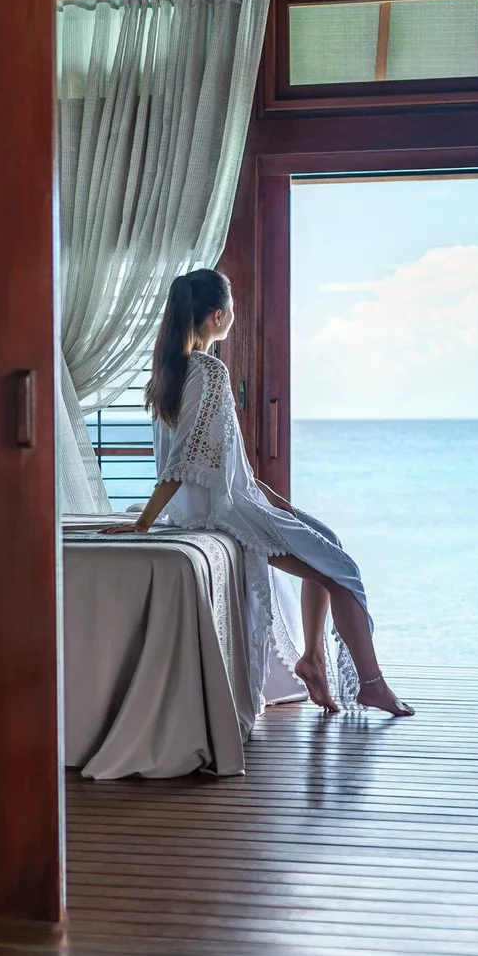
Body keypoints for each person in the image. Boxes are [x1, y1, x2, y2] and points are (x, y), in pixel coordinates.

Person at [101, 268, 413, 717]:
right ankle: (371, 685)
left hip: (225, 502)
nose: (234, 315)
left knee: (327, 539)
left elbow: (229, 464)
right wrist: (143, 523)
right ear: (217, 315)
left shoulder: (170, 373)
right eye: (231, 308)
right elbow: (183, 460)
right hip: (224, 513)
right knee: (343, 572)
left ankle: (313, 659)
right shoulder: (208, 371)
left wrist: (280, 504)